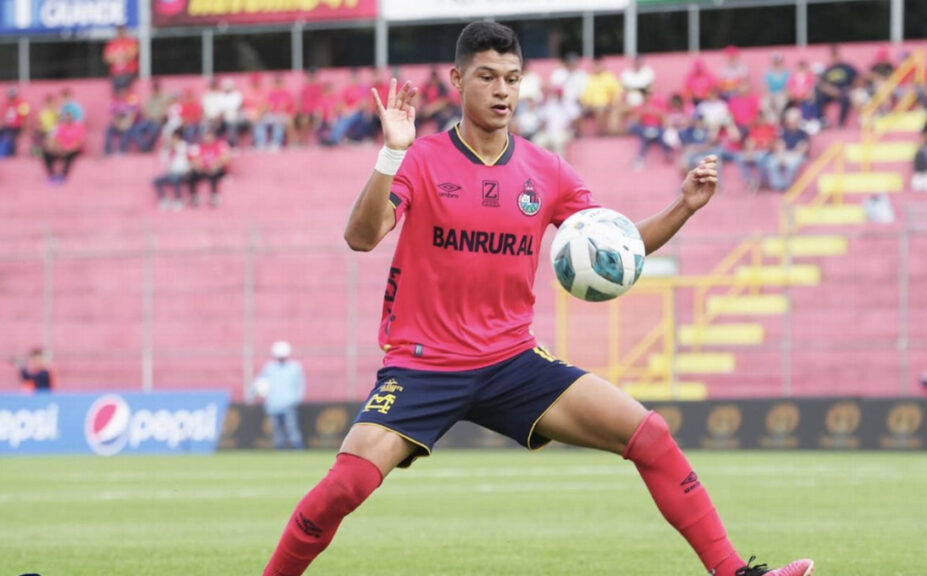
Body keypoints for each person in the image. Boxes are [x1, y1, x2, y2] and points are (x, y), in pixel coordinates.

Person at [261, 21, 813, 576]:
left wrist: (683, 207)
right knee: (345, 487)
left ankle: (734, 573)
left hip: (511, 362)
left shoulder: (545, 170)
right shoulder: (423, 158)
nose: (502, 90)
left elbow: (614, 247)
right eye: (487, 77)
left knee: (649, 435)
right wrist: (390, 155)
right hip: (424, 365)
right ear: (457, 80)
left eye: (513, 78)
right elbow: (361, 236)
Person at [255, 341, 306, 450]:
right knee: (277, 430)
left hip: (289, 403)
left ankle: (297, 447)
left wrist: (298, 398)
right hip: (274, 404)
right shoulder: (269, 368)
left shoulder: (294, 367)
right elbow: (260, 382)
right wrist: (253, 394)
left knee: (291, 428)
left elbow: (299, 384)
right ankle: (280, 448)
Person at [103, 26, 139, 95]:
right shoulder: (111, 43)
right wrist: (122, 56)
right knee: (116, 90)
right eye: (119, 31)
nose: (120, 33)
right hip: (115, 73)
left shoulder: (130, 42)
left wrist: (116, 57)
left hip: (128, 72)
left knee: (125, 89)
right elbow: (107, 58)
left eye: (122, 31)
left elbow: (132, 55)